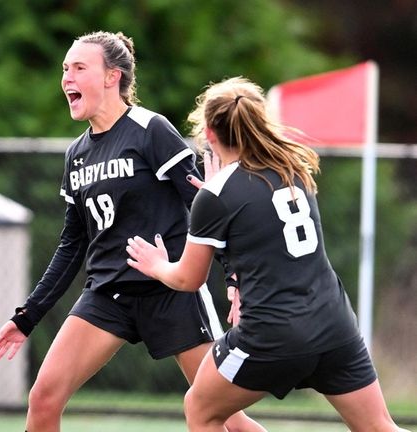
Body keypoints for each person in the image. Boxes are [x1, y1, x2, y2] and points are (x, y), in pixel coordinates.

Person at [0, 31, 264, 432]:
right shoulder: (76, 154)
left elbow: (205, 209)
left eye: (79, 68)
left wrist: (235, 278)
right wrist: (28, 315)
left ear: (111, 77)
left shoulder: (150, 129)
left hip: (170, 291)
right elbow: (71, 244)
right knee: (43, 400)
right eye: (65, 68)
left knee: (225, 416)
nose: (67, 77)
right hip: (108, 295)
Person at [126, 76, 409, 432]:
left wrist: (157, 265)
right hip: (334, 325)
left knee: (200, 409)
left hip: (272, 335)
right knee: (379, 426)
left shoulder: (216, 194)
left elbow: (187, 278)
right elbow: (262, 234)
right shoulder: (293, 169)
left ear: (209, 134)